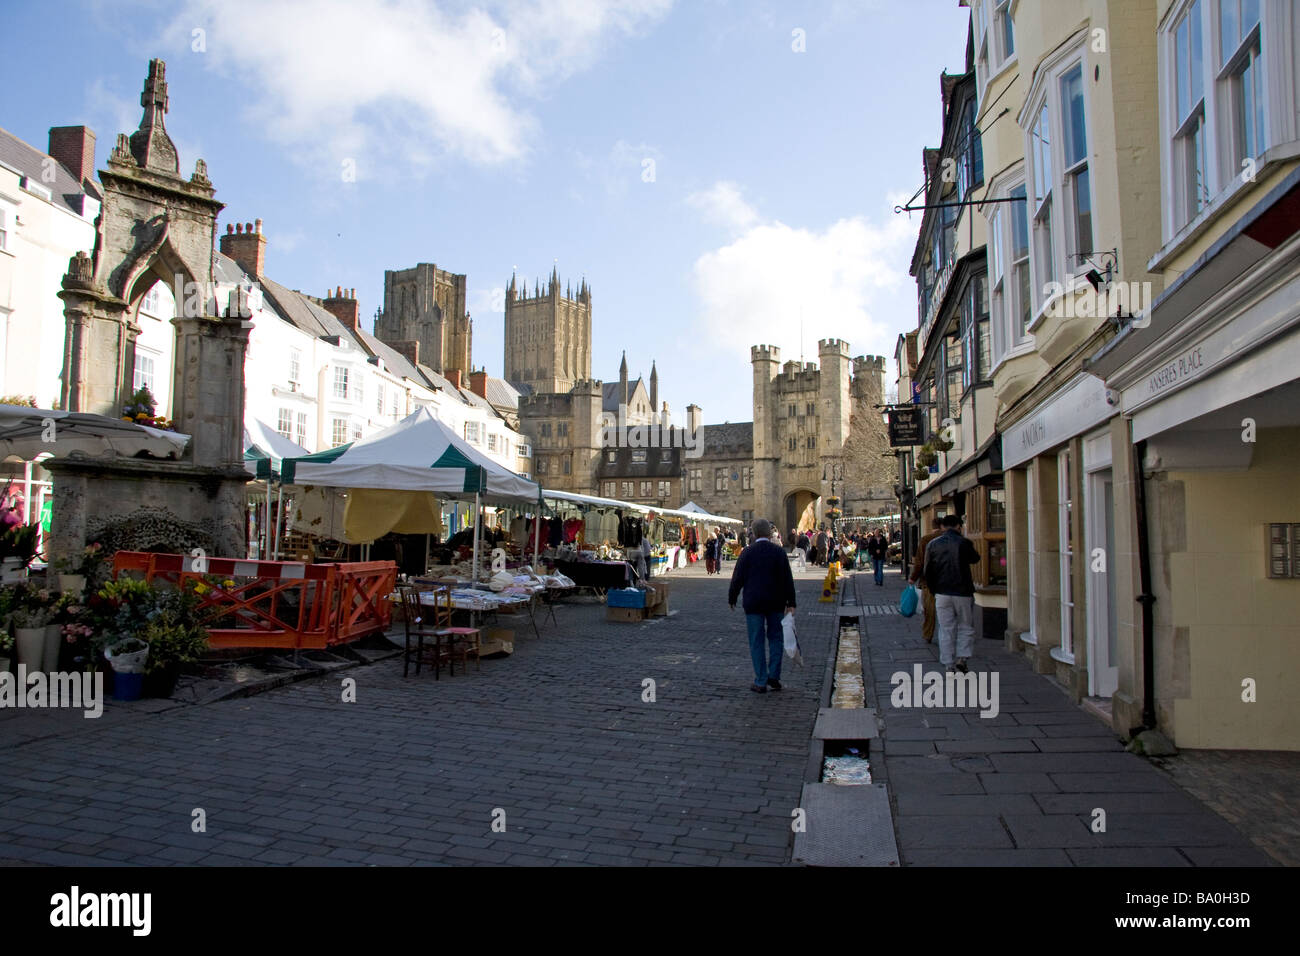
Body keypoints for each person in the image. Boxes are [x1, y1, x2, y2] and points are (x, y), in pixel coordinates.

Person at [729, 518, 797, 694]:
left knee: (756, 640)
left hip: (754, 602)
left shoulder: (747, 552)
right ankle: (774, 675)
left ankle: (760, 680)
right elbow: (787, 579)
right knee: (776, 638)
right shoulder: (778, 552)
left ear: (754, 533)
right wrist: (791, 602)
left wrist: (732, 597)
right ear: (769, 533)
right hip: (776, 602)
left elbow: (738, 578)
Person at [922, 513, 981, 673]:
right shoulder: (963, 542)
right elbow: (975, 558)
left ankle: (948, 664)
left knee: (946, 628)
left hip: (942, 592)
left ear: (942, 527)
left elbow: (927, 570)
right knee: (966, 626)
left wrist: (934, 590)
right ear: (958, 526)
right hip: (963, 591)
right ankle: (962, 658)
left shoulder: (933, 544)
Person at [909, 516, 946, 643]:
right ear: (942, 526)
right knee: (946, 611)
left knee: (929, 611)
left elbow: (919, 562)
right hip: (945, 581)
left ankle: (928, 634)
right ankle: (946, 635)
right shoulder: (949, 539)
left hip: (928, 580)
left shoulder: (926, 540)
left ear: (932, 526)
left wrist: (913, 578)